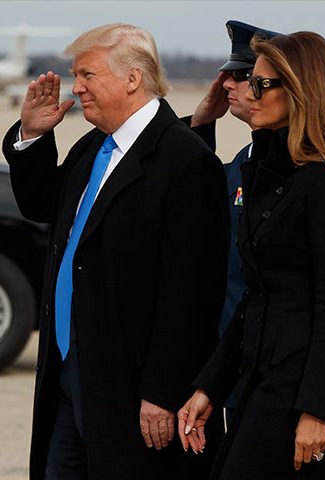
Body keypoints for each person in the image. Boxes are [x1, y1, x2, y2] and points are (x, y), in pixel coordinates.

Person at [1, 23, 228, 480]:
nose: (76, 86)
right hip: (68, 376)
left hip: (131, 390)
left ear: (132, 79)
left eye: (87, 74)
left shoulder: (185, 161)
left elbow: (192, 294)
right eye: (76, 75)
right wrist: (31, 135)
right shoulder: (93, 147)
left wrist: (163, 391)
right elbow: (42, 204)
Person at [177, 31, 325, 479]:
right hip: (258, 376)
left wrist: (318, 411)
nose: (250, 92)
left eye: (263, 84)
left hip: (296, 387)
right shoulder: (265, 168)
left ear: (300, 90)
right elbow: (256, 296)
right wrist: (211, 385)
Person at [187, 20, 279, 338]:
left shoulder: (295, 168)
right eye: (228, 75)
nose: (227, 84)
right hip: (222, 347)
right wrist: (201, 124)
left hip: (259, 347)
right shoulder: (246, 158)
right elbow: (194, 196)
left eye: (241, 76)